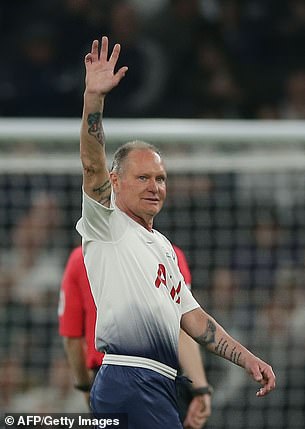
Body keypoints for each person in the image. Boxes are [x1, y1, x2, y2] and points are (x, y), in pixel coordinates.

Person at [76, 36, 275, 428]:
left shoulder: (163, 247)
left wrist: (247, 357)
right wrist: (93, 99)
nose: (155, 186)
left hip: (158, 381)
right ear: (116, 181)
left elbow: (195, 319)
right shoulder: (108, 222)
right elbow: (91, 163)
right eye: (144, 177)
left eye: (162, 178)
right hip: (129, 376)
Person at [58, 245, 212, 428]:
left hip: (109, 382)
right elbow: (182, 327)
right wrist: (200, 387)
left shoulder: (81, 258)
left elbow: (72, 339)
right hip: (161, 379)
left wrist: (85, 387)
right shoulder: (169, 253)